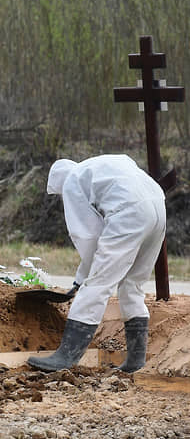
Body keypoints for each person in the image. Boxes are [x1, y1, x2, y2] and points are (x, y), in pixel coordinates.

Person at [28, 155, 165, 373]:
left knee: (97, 284)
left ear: (60, 184)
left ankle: (66, 356)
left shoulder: (73, 181)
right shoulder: (97, 169)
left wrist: (84, 279)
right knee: (132, 286)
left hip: (130, 212)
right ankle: (136, 361)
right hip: (157, 206)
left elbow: (88, 236)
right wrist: (84, 273)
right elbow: (99, 241)